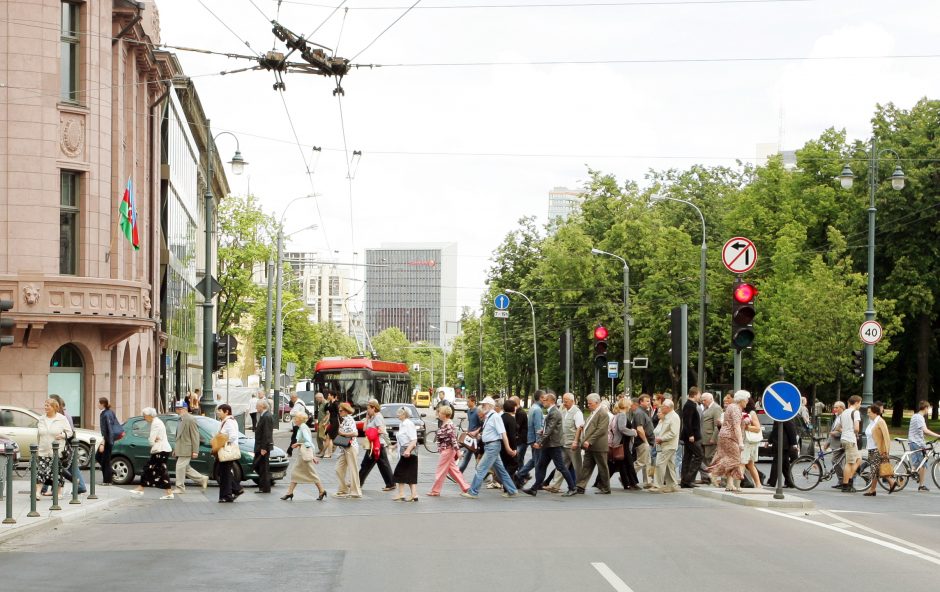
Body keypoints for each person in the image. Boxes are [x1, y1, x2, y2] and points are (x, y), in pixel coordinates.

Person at [462, 397, 518, 499]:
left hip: (492, 446)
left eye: (484, 405)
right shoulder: (489, 416)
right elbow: (492, 432)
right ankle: (512, 490)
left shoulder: (495, 417)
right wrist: (480, 436)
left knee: (481, 468)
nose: (482, 406)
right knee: (501, 470)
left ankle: (473, 492)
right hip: (491, 446)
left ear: (490, 406)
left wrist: (508, 448)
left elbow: (503, 433)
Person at [523, 392, 577, 497]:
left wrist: (539, 442)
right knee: (541, 465)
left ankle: (572, 487)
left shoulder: (554, 413)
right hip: (549, 445)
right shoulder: (552, 411)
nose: (543, 401)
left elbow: (550, 430)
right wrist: (542, 433)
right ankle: (534, 488)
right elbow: (550, 429)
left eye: (545, 400)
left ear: (551, 401)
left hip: (554, 445)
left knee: (561, 466)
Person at [281, 410, 327, 501]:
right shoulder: (302, 427)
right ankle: (289, 492)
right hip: (302, 454)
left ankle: (322, 490)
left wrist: (312, 455)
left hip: (304, 454)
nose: (294, 420)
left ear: (300, 420)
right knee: (295, 473)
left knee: (311, 473)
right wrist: (298, 444)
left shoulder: (303, 428)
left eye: (296, 418)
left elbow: (308, 441)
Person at [131, 408, 174, 500]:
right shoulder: (158, 422)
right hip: (162, 449)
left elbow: (151, 440)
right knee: (154, 469)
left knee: (157, 470)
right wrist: (154, 439)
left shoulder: (155, 424)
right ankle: (142, 488)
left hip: (160, 450)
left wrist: (153, 440)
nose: (144, 418)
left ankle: (142, 488)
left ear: (150, 416)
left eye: (145, 416)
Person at [427, 405, 470, 496]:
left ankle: (435, 490)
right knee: (454, 471)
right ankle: (465, 487)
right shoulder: (445, 423)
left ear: (445, 415)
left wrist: (458, 451)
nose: (438, 414)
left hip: (447, 450)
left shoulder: (449, 425)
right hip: (447, 450)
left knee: (440, 470)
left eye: (440, 412)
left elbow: (453, 439)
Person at [34, 398, 72, 500]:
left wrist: (63, 435)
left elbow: (70, 432)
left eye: (48, 406)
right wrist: (38, 448)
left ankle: (59, 492)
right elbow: (39, 435)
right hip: (43, 450)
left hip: (57, 451)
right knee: (41, 471)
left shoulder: (62, 418)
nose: (45, 407)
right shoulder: (41, 419)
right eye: (45, 405)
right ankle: (37, 493)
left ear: (54, 407)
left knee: (58, 472)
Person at [47, 394, 85, 495]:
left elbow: (69, 431)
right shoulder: (60, 414)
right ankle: (78, 485)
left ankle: (77, 484)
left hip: (63, 446)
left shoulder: (63, 416)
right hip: (63, 445)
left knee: (58, 466)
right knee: (62, 466)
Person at [546, 393, 584, 493]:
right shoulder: (563, 411)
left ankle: (580, 486)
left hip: (572, 444)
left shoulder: (577, 412)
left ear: (572, 401)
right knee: (561, 465)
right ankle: (555, 486)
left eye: (566, 401)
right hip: (563, 443)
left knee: (577, 466)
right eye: (564, 400)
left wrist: (576, 441)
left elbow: (579, 428)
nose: (564, 402)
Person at [708, 391, 745, 490]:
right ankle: (714, 472)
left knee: (728, 458)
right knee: (735, 459)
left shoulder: (730, 407)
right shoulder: (736, 409)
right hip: (730, 437)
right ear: (742, 400)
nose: (747, 401)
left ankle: (730, 484)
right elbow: (736, 426)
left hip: (723, 435)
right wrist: (741, 442)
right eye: (746, 399)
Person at [577, 393, 611, 494]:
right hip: (590, 446)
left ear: (597, 403)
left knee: (602, 467)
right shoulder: (594, 412)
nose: (588, 405)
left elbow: (601, 430)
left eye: (590, 403)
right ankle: (580, 486)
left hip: (598, 446)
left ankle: (606, 488)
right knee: (586, 466)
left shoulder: (602, 413)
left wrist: (589, 441)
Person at [172, 400, 208, 493]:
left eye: (178, 409)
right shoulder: (180, 419)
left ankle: (180, 487)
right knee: (186, 468)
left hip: (187, 448)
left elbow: (195, 435)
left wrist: (195, 451)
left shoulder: (190, 419)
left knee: (179, 467)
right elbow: (178, 436)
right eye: (176, 408)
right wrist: (175, 449)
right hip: (181, 448)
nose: (176, 410)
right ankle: (202, 479)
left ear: (183, 409)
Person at [359, 399, 395, 491]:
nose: (367, 410)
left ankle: (358, 483)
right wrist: (367, 418)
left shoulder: (378, 417)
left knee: (373, 464)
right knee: (377, 464)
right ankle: (390, 483)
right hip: (373, 444)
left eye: (368, 408)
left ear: (374, 408)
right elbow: (364, 429)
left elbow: (381, 430)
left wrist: (373, 434)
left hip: (378, 444)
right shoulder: (372, 417)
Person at [514, 390, 545, 487]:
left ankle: (522, 475)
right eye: (544, 398)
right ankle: (521, 475)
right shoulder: (537, 410)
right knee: (537, 461)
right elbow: (538, 427)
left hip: (532, 439)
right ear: (540, 398)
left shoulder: (533, 408)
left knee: (535, 460)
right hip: (535, 440)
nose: (545, 400)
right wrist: (539, 441)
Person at [907, 400, 940, 492]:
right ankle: (921, 485)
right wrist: (937, 435)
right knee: (923, 464)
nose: (928, 411)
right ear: (925, 408)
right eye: (928, 409)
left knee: (918, 462)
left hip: (915, 442)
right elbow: (925, 430)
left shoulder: (915, 416)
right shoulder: (919, 417)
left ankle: (911, 472)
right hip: (916, 443)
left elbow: (920, 431)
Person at [867, 403, 898, 496]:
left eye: (869, 412)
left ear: (875, 413)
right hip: (871, 449)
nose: (868, 414)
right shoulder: (872, 422)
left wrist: (886, 451)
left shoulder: (880, 421)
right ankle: (890, 483)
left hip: (878, 449)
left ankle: (873, 489)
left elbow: (886, 437)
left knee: (874, 470)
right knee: (876, 470)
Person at [608, 397, 639, 490]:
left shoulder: (618, 415)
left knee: (620, 464)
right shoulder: (622, 415)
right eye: (629, 404)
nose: (630, 406)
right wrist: (633, 432)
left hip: (620, 442)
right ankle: (632, 483)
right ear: (626, 405)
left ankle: (628, 483)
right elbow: (622, 428)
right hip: (622, 442)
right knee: (628, 463)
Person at [215, 404, 244, 503]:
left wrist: (221, 441)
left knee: (225, 473)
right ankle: (234, 490)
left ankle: (227, 495)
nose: (218, 413)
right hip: (226, 450)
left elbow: (233, 436)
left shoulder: (229, 422)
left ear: (226, 411)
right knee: (224, 473)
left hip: (227, 451)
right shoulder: (226, 421)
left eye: (220, 411)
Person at [650, 399, 680, 493]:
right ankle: (672, 485)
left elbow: (673, 433)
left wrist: (661, 438)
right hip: (666, 445)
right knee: (669, 466)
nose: (661, 407)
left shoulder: (673, 417)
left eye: (663, 406)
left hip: (668, 445)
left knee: (659, 464)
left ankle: (657, 486)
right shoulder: (668, 416)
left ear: (667, 408)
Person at [334, 402, 362, 499]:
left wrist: (343, 433)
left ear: (346, 411)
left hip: (350, 447)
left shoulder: (349, 419)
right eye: (339, 410)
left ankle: (356, 492)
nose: (339, 412)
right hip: (344, 448)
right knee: (338, 468)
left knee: (353, 469)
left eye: (341, 411)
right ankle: (343, 489)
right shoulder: (344, 420)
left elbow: (355, 433)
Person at [392, 406, 419, 501]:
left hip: (409, 451)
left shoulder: (408, 424)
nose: (398, 415)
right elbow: (402, 438)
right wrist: (394, 446)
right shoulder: (402, 424)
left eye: (400, 413)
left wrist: (408, 450)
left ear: (404, 414)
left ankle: (402, 494)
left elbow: (414, 439)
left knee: (399, 472)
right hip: (405, 450)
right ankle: (413, 495)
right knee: (408, 473)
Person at [680, 387, 704, 488]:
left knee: (688, 457)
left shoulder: (690, 405)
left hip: (691, 436)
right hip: (691, 437)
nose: (700, 397)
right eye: (699, 395)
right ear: (694, 394)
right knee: (699, 455)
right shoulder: (689, 405)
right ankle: (688, 479)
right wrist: (691, 435)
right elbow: (687, 422)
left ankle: (685, 480)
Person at [96, 397, 122, 486]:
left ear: (102, 404)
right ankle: (110, 472)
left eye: (98, 403)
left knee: (105, 460)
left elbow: (108, 429)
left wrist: (104, 442)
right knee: (99, 457)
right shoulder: (110, 412)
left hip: (107, 439)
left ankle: (107, 480)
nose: (97, 405)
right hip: (108, 439)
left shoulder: (106, 414)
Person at [839, 395, 863, 493]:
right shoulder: (855, 412)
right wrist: (856, 433)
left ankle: (849, 479)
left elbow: (840, 426)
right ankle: (846, 484)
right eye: (860, 403)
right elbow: (857, 428)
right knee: (849, 462)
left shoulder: (844, 412)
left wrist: (846, 431)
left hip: (844, 438)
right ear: (856, 402)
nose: (860, 406)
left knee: (858, 459)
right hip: (850, 439)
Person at [766, 418, 798, 488]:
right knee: (785, 465)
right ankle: (790, 482)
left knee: (776, 463)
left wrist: (794, 444)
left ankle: (772, 482)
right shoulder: (778, 415)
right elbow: (775, 430)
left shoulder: (786, 416)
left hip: (784, 444)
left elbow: (791, 430)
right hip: (780, 443)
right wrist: (769, 441)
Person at [740, 394, 763, 489]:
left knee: (742, 462)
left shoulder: (751, 413)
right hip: (746, 441)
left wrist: (746, 427)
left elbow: (757, 428)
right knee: (750, 464)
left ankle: (737, 484)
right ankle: (758, 484)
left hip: (748, 442)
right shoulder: (743, 412)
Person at [252, 398, 275, 493]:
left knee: (263, 468)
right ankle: (264, 486)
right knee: (259, 467)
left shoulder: (266, 416)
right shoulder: (263, 415)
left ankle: (265, 488)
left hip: (263, 447)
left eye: (257, 406)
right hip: (260, 446)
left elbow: (267, 433)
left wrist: (264, 448)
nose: (256, 407)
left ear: (263, 406)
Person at [632, 395, 655, 487]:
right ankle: (626, 477)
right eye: (647, 401)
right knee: (641, 462)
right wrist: (645, 441)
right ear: (641, 402)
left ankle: (648, 482)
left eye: (649, 401)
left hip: (646, 442)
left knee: (647, 463)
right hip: (642, 442)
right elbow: (639, 429)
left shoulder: (643, 412)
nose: (649, 403)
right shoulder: (640, 413)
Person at [700, 393, 722, 483]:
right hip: (703, 438)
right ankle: (706, 478)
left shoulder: (716, 408)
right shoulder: (706, 408)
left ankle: (713, 477)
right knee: (704, 458)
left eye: (704, 400)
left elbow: (717, 425)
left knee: (710, 458)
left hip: (710, 439)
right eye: (702, 400)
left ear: (710, 399)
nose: (703, 402)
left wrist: (714, 438)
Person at [458, 395, 482, 473]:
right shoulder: (468, 411)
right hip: (469, 436)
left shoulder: (478, 411)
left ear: (473, 402)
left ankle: (459, 473)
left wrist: (476, 432)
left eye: (468, 401)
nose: (467, 403)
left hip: (475, 438)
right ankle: (483, 472)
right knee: (476, 456)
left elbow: (482, 425)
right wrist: (467, 431)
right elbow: (471, 423)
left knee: (468, 455)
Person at [498, 399, 519, 487]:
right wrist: (514, 449)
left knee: (505, 464)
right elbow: (512, 436)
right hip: (509, 445)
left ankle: (508, 485)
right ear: (512, 408)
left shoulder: (501, 417)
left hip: (501, 445)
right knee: (514, 464)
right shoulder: (511, 419)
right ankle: (508, 484)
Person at [827, 401, 846, 488]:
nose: (834, 409)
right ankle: (841, 481)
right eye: (834, 407)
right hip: (834, 443)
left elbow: (845, 431)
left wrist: (836, 434)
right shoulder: (837, 417)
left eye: (836, 407)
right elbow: (833, 430)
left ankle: (843, 480)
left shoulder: (844, 417)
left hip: (840, 444)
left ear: (842, 408)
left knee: (835, 461)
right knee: (838, 463)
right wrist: (827, 443)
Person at [287, 392, 308, 458]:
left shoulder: (298, 404)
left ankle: (289, 452)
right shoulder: (301, 402)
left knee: (294, 438)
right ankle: (291, 451)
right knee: (297, 437)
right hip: (300, 422)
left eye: (291, 398)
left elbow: (292, 413)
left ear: (293, 397)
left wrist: (290, 412)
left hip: (298, 423)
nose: (291, 400)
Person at [323, 392, 340, 458]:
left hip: (335, 422)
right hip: (331, 422)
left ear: (332, 396)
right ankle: (328, 453)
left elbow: (338, 413)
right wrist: (327, 402)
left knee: (330, 437)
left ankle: (328, 453)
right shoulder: (330, 403)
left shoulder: (335, 403)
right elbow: (325, 409)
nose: (328, 396)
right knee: (331, 437)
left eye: (329, 395)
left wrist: (340, 423)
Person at [512, 395, 528, 461]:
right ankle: (522, 471)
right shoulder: (518, 412)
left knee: (518, 459)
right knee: (519, 459)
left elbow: (517, 426)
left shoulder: (520, 413)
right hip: (520, 440)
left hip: (521, 440)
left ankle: (522, 471)